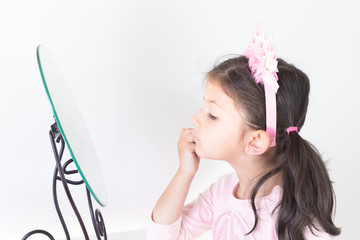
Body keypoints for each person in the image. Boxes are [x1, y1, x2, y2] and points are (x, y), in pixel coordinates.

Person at [147, 28, 341, 240]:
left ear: (255, 141)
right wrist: (184, 173)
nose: (196, 119)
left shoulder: (294, 215)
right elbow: (162, 236)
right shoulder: (222, 191)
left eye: (212, 115)